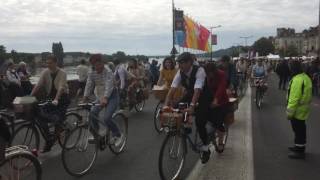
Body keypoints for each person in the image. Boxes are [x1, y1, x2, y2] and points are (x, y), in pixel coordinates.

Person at [163, 52, 208, 163]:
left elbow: (197, 90)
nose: (180, 65)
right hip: (190, 94)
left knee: (200, 122)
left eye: (183, 62)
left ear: (190, 62)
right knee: (177, 106)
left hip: (203, 96)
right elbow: (172, 89)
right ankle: (185, 126)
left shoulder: (199, 71)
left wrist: (192, 106)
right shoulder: (180, 72)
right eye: (179, 63)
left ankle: (206, 148)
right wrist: (165, 105)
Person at [31, 55, 70, 152]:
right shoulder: (45, 72)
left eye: (50, 63)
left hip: (62, 98)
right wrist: (29, 96)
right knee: (40, 115)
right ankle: (49, 139)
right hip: (51, 98)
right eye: (47, 63)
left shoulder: (62, 73)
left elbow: (61, 87)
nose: (48, 65)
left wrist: (56, 99)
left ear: (55, 63)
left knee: (57, 118)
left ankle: (59, 129)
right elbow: (38, 85)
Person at [83, 54, 123, 148]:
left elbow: (109, 85)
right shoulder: (91, 72)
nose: (97, 67)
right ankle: (96, 134)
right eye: (94, 65)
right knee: (92, 113)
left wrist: (105, 97)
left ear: (102, 63)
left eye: (98, 64)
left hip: (112, 96)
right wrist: (85, 96)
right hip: (100, 96)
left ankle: (118, 134)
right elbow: (89, 84)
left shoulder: (108, 71)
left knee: (107, 118)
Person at [286, 60, 312, 159]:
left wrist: (289, 113)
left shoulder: (297, 80)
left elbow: (294, 98)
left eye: (290, 67)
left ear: (293, 69)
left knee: (298, 129)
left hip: (297, 109)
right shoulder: (305, 77)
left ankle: (300, 151)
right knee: (300, 128)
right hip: (303, 108)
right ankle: (298, 146)